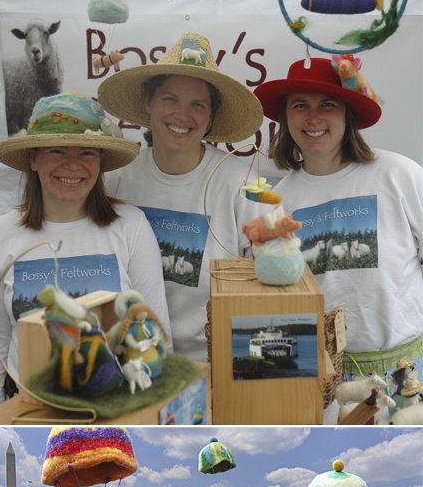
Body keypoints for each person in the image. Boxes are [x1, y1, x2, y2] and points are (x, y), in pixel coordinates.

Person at [0, 91, 170, 414]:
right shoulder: (0, 234)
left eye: (87, 153)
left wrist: (145, 413)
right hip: (28, 410)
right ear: (33, 159)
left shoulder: (131, 227)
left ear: (101, 162)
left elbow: (154, 331)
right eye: (57, 150)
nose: (73, 164)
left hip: (115, 406)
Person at [254, 58, 423, 387]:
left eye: (327, 105)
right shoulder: (281, 200)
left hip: (407, 370)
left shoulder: (398, 174)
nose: (313, 118)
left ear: (348, 114)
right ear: (286, 118)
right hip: (321, 377)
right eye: (300, 105)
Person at [99, 32, 265, 361]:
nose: (182, 114)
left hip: (218, 365)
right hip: (131, 363)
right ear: (148, 102)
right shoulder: (116, 179)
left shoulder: (240, 182)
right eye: (170, 99)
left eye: (197, 104)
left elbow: (271, 275)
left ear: (211, 115)